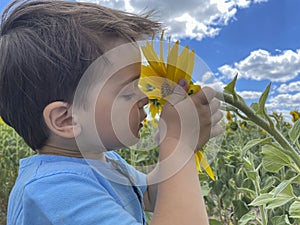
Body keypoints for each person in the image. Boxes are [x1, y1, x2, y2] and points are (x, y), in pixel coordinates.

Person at [0, 0, 223, 224]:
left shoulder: (104, 161)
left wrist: (179, 148)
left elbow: (148, 195)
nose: (145, 98)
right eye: (127, 92)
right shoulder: (52, 190)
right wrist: (179, 142)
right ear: (66, 119)